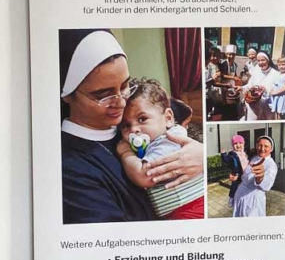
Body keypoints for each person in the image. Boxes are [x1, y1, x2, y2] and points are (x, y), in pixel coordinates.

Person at [59, 29, 203, 224]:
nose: (121, 102)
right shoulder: (71, 169)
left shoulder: (129, 114)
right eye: (103, 95)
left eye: (125, 86)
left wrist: (199, 154)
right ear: (67, 95)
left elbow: (178, 111)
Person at [116, 78, 205, 220]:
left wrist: (126, 153)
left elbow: (144, 176)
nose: (134, 129)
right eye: (126, 125)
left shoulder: (169, 139)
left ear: (168, 118)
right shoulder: (152, 142)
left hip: (191, 208)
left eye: (142, 119)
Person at [231, 135, 277, 217]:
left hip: (252, 202)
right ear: (256, 146)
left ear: (271, 149)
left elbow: (268, 183)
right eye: (260, 145)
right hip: (239, 197)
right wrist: (235, 175)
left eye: (266, 146)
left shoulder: (271, 165)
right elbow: (244, 171)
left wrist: (260, 177)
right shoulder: (254, 157)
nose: (262, 149)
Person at [244, 51, 279, 120]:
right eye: (258, 61)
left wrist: (266, 90)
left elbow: (277, 90)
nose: (260, 63)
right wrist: (241, 88)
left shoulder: (276, 74)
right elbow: (250, 85)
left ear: (268, 60)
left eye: (263, 60)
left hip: (268, 105)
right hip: (254, 104)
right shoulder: (256, 72)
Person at [221, 134, 250, 207]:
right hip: (236, 173)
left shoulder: (246, 153)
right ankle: (231, 198)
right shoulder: (232, 154)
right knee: (234, 186)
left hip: (245, 174)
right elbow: (226, 160)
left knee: (245, 187)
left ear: (243, 144)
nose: (238, 145)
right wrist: (223, 154)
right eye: (235, 143)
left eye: (240, 143)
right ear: (233, 145)